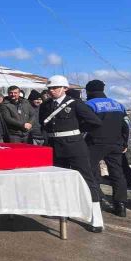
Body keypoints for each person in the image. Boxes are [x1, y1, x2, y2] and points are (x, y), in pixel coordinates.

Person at [39, 75, 104, 232]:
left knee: (87, 179)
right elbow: (43, 123)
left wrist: (75, 131)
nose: (51, 91)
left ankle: (96, 218)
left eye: (55, 88)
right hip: (55, 146)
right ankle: (63, 211)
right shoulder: (46, 105)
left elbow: (95, 122)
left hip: (75, 147)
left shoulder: (76, 104)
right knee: (59, 180)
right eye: (49, 88)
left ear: (65, 89)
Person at [84, 80, 130, 216]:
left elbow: (84, 126)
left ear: (88, 91)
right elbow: (126, 125)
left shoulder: (89, 104)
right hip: (116, 143)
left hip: (95, 143)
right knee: (117, 173)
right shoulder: (118, 104)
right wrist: (125, 142)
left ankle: (95, 199)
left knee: (89, 170)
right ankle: (120, 205)